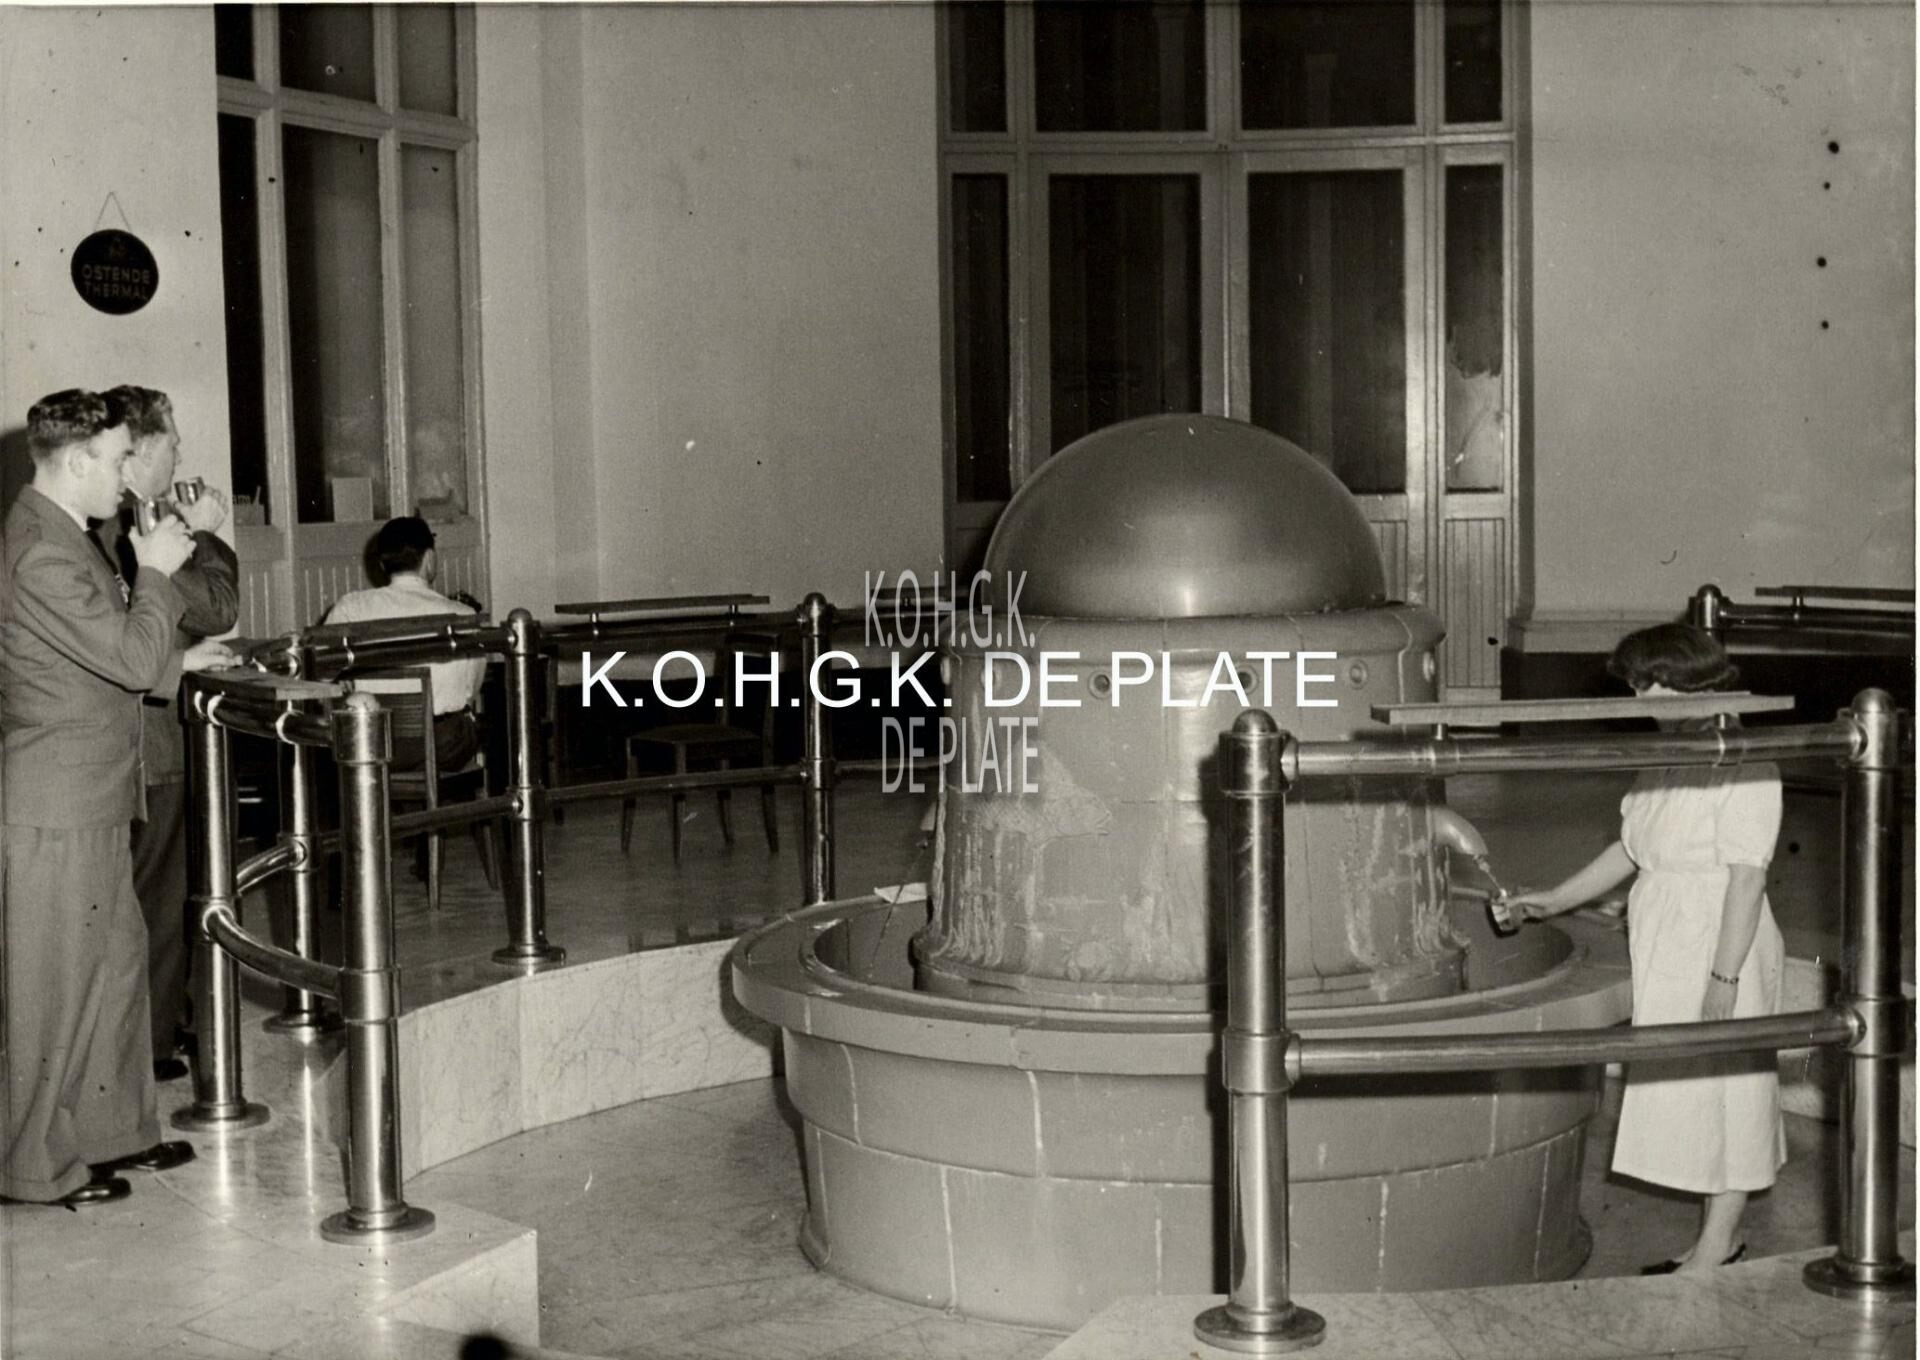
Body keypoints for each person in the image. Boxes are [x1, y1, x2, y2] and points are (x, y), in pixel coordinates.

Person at [1, 389, 234, 1207]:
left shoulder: (66, 535)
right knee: (55, 990)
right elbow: (131, 661)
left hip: (95, 794)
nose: (126, 471)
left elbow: (102, 655)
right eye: (117, 457)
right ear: (76, 462)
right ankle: (31, 1165)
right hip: (55, 802)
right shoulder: (42, 552)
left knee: (114, 970)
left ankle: (111, 1135)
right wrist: (160, 572)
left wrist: (175, 655)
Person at [1508, 622, 1785, 1275]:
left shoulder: (1745, 757)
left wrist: (1724, 976)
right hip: (1671, 932)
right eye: (1634, 684)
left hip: (1722, 934)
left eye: (1647, 683)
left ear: (1687, 680)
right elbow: (1632, 848)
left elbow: (1747, 878)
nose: (1638, 697)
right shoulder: (1669, 748)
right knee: (1695, 1088)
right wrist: (1554, 899)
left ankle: (1719, 1243)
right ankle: (1714, 1241)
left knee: (1732, 1087)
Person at [96, 385, 239, 1083]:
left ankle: (160, 1025)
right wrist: (204, 533)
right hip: (150, 745)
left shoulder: (122, 523)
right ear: (142, 450)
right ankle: (149, 1043)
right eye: (172, 444)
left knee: (155, 893)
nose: (180, 455)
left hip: (142, 742)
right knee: (157, 894)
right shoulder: (135, 531)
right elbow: (217, 608)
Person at [323, 516, 485, 771]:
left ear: (381, 564)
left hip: (374, 743)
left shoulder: (350, 608)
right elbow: (470, 691)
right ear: (429, 558)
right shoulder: (463, 615)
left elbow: (321, 676)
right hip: (443, 746)